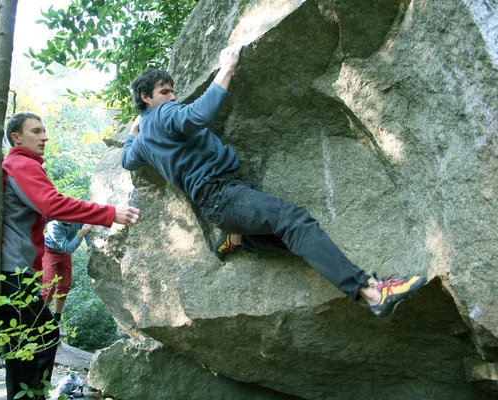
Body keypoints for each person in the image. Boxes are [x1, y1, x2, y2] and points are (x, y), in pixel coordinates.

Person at [122, 44, 426, 319]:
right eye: (164, 92)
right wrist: (227, 67)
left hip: (222, 201)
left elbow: (128, 160)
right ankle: (372, 293)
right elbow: (198, 114)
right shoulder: (164, 115)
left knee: (295, 240)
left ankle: (240, 237)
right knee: (295, 222)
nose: (172, 96)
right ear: (146, 98)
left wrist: (132, 133)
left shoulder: (144, 138)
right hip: (223, 194)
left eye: (172, 90)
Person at [0, 112, 140, 400]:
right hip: (12, 270)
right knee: (42, 337)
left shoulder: (18, 165)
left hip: (14, 268)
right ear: (16, 137)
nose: (44, 137)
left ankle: (27, 395)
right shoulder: (21, 164)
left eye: (44, 131)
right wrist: (110, 213)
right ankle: (30, 396)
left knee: (25, 341)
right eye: (36, 131)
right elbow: (51, 204)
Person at [42, 220, 93, 336]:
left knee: (65, 285)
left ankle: (57, 318)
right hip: (50, 251)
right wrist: (80, 235)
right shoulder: (53, 226)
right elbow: (68, 248)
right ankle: (41, 318)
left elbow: (86, 226)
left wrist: (90, 245)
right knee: (49, 286)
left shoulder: (75, 217)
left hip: (64, 254)